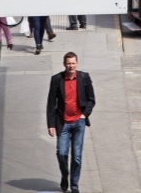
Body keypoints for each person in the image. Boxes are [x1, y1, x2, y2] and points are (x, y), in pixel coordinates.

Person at [47, 52, 95, 193]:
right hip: (63, 123)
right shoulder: (56, 79)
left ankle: (74, 185)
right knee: (61, 153)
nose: (71, 66)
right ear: (64, 64)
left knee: (77, 156)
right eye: (68, 63)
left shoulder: (84, 78)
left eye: (73, 63)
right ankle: (64, 175)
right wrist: (50, 124)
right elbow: (51, 103)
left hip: (78, 122)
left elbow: (91, 99)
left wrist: (84, 115)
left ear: (77, 63)